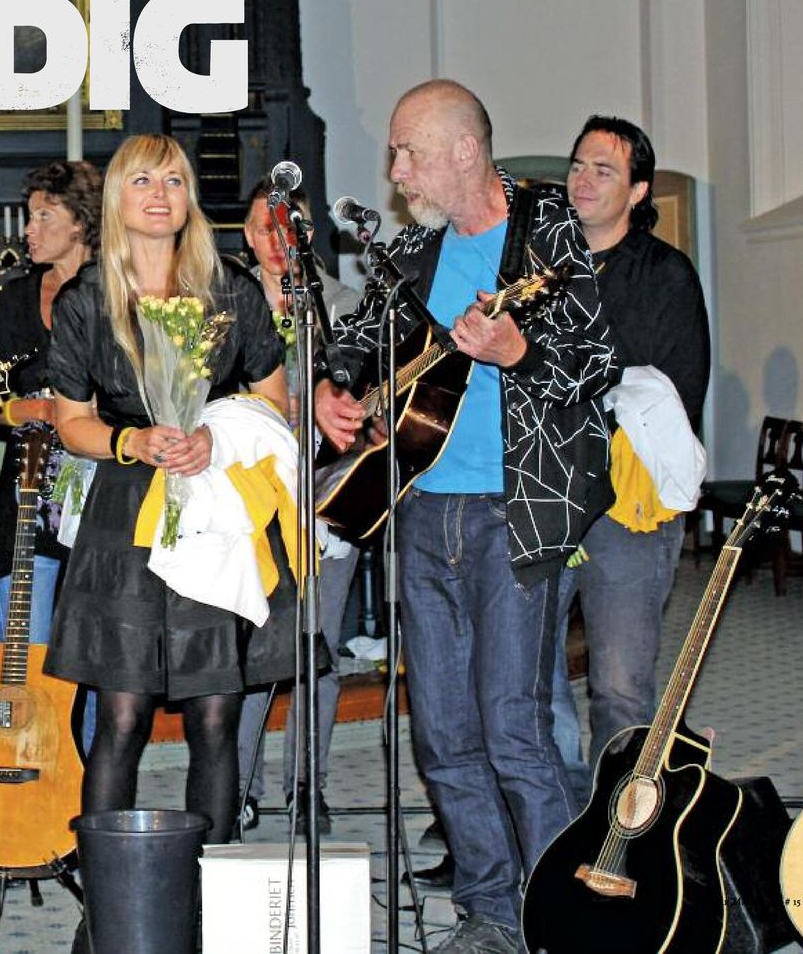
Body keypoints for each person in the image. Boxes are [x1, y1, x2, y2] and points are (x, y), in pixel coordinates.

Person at [314, 80, 614, 954]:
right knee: (443, 734)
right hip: (419, 509)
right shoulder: (416, 251)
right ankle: (491, 912)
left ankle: (566, 916)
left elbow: (593, 363)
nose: (396, 169)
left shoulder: (547, 231)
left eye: (408, 152)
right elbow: (357, 339)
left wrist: (519, 349)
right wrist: (337, 391)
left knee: (512, 727)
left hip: (513, 515)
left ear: (464, 152)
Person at [43, 134, 291, 846]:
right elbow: (71, 422)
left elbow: (273, 403)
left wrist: (216, 435)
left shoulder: (232, 291)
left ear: (189, 200)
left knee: (216, 713)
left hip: (212, 504)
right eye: (143, 181)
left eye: (175, 182)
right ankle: (112, 899)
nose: (161, 195)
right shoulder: (88, 298)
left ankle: (209, 887)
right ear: (119, 198)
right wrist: (132, 442)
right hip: (127, 513)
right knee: (122, 714)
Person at [551, 116, 710, 798]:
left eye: (604, 170)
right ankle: (549, 825)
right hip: (545, 493)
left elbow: (672, 393)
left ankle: (615, 834)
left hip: (626, 503)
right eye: (579, 165)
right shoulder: (542, 268)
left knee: (618, 687)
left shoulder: (666, 275)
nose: (583, 180)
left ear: (639, 189)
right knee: (529, 682)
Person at [235, 180, 360, 835]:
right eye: (266, 228)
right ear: (249, 237)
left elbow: (363, 396)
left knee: (321, 650)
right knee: (254, 653)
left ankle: (308, 787)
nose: (280, 241)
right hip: (249, 500)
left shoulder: (342, 304)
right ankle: (241, 787)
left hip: (326, 492)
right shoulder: (226, 301)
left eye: (292, 229)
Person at [0, 159, 103, 643]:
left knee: (94, 655)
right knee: (23, 650)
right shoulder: (16, 298)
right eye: (28, 216)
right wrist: (34, 410)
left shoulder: (116, 291)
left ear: (80, 221)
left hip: (99, 495)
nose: (28, 230)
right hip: (26, 491)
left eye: (43, 217)